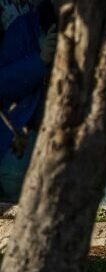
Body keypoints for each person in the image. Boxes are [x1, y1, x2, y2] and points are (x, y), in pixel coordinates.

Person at [0, 0, 57, 201]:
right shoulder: (24, 29)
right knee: (13, 173)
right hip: (28, 134)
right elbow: (3, 83)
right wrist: (40, 60)